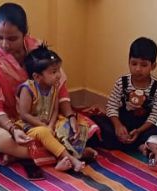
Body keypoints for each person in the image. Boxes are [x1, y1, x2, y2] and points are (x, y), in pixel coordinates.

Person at [0, 3, 79, 179]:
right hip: (8, 120)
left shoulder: (38, 48)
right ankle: (67, 152)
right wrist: (13, 129)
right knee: (1, 141)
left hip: (42, 113)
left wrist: (71, 116)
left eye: (12, 39)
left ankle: (32, 154)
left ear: (25, 33)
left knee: (79, 128)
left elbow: (59, 85)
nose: (5, 44)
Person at [17, 44, 97, 172]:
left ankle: (74, 153)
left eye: (58, 70)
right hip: (31, 126)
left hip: (50, 123)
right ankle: (72, 159)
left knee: (76, 124)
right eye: (54, 72)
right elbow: (24, 115)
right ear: (37, 77)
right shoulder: (27, 89)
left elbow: (55, 110)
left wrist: (52, 125)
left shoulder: (54, 87)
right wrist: (44, 126)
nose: (59, 75)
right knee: (44, 133)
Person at [88, 37, 157, 152]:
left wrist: (139, 131)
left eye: (144, 65)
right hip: (123, 123)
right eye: (134, 63)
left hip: (143, 127)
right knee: (96, 120)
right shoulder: (122, 81)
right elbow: (111, 106)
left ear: (153, 66)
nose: (138, 69)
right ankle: (136, 145)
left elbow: (156, 114)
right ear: (128, 62)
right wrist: (118, 126)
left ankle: (131, 143)